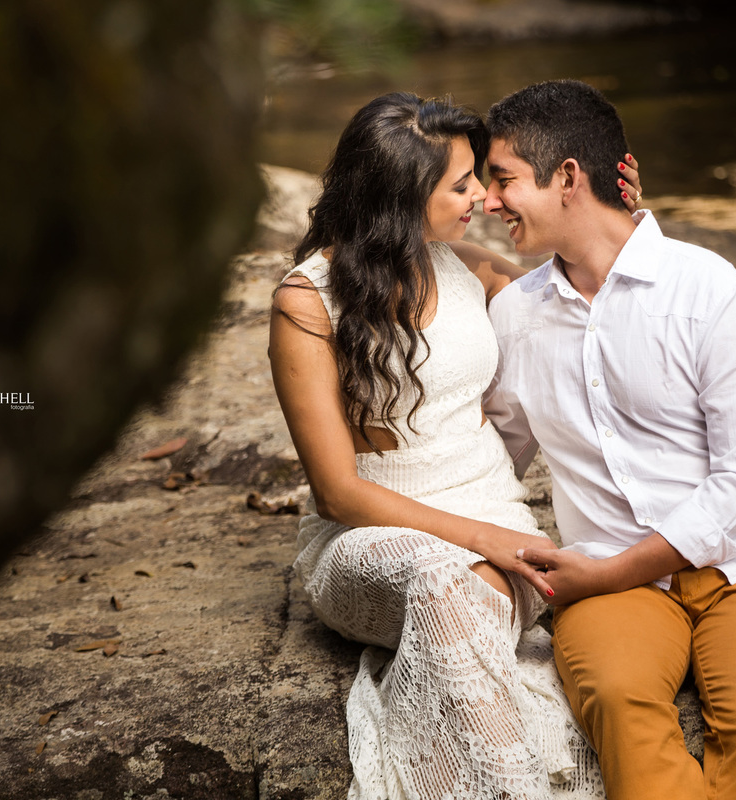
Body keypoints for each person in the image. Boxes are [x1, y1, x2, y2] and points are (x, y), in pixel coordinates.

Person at [269, 91, 639, 799]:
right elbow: (338, 493)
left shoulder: (470, 267)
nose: (483, 198)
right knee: (445, 586)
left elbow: (595, 294)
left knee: (462, 594)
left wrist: (620, 213)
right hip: (368, 538)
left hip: (498, 521)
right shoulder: (306, 302)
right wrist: (482, 541)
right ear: (402, 197)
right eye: (464, 184)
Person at [480, 80, 736, 800]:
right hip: (608, 584)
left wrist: (608, 573)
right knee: (620, 703)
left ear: (568, 178)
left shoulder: (709, 290)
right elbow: (493, 461)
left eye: (503, 180)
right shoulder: (515, 317)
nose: (488, 201)